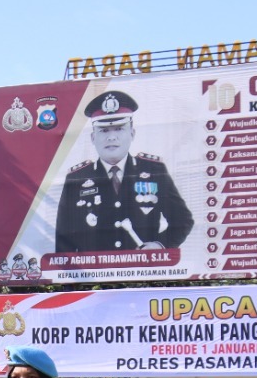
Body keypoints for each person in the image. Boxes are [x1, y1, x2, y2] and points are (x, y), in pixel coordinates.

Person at [54, 90, 193, 256]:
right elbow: (64, 238)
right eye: (104, 130)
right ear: (92, 137)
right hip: (95, 271)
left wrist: (160, 245)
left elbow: (183, 220)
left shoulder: (154, 171)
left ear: (132, 133)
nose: (112, 137)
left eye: (119, 129)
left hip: (143, 270)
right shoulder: (77, 178)